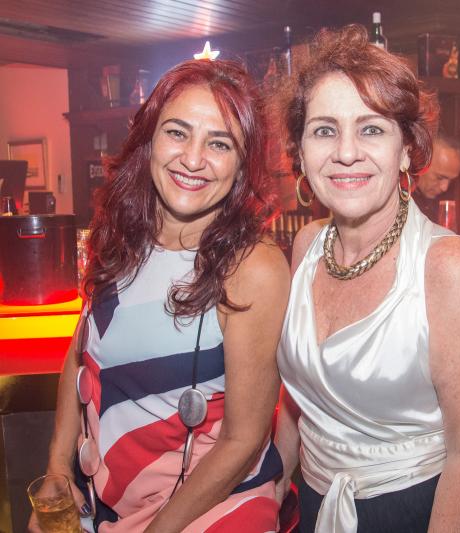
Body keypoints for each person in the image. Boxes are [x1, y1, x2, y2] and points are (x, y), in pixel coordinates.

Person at [31, 59, 290, 532]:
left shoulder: (253, 266)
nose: (192, 159)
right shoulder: (121, 235)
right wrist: (57, 468)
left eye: (219, 143)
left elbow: (244, 440)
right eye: (177, 133)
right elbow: (81, 356)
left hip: (208, 510)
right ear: (148, 138)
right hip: (106, 503)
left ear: (242, 163)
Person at [273, 25, 460, 533]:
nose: (346, 152)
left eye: (371, 129)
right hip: (314, 509)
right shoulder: (307, 247)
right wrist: (270, 496)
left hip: (419, 512)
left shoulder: (448, 266)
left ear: (407, 150)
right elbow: (299, 399)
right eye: (324, 130)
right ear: (301, 153)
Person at [411, 133, 460, 222]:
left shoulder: (448, 199)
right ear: (420, 163)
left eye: (451, 180)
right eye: (439, 177)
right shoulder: (396, 198)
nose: (444, 188)